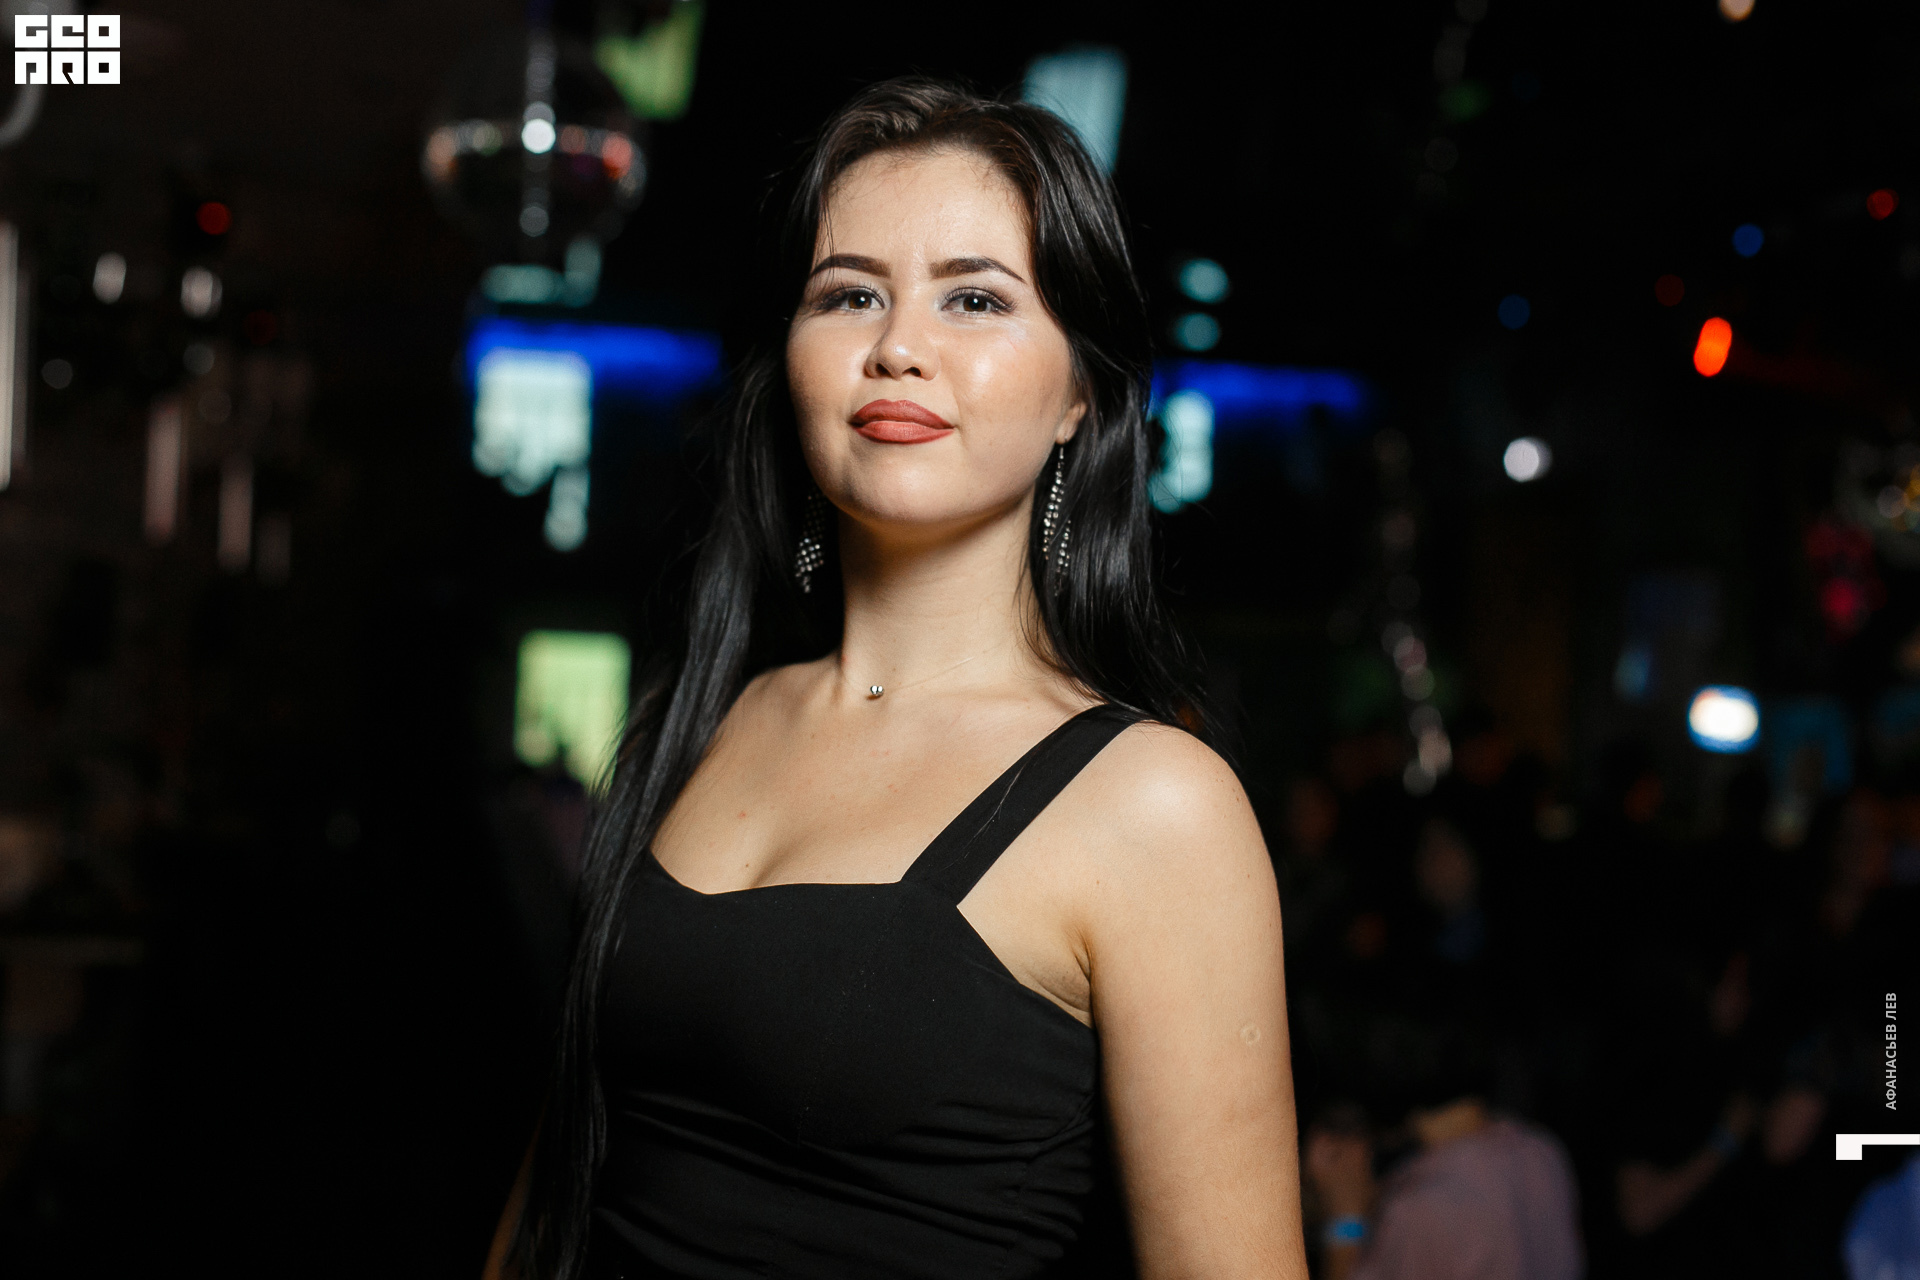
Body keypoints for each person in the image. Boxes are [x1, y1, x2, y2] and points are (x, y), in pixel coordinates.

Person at [484, 79, 1308, 1280]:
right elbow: (557, 1181)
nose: (899, 347)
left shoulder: (1155, 805)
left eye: (975, 297)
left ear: (1079, 395)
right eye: (850, 294)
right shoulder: (707, 714)